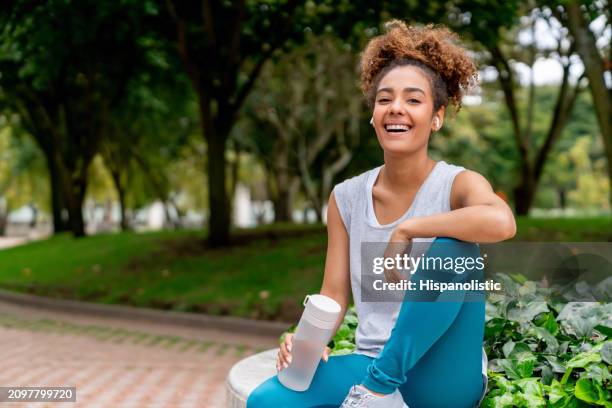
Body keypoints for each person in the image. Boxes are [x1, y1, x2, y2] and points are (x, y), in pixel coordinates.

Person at [247, 20, 516, 408]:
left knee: (453, 252)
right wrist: (305, 340)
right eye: (384, 99)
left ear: (437, 117)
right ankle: (378, 390)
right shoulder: (346, 197)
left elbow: (502, 223)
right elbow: (333, 294)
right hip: (369, 362)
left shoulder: (457, 184)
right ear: (373, 115)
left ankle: (378, 391)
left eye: (413, 99)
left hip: (444, 376)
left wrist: (409, 228)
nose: (396, 109)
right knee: (268, 401)